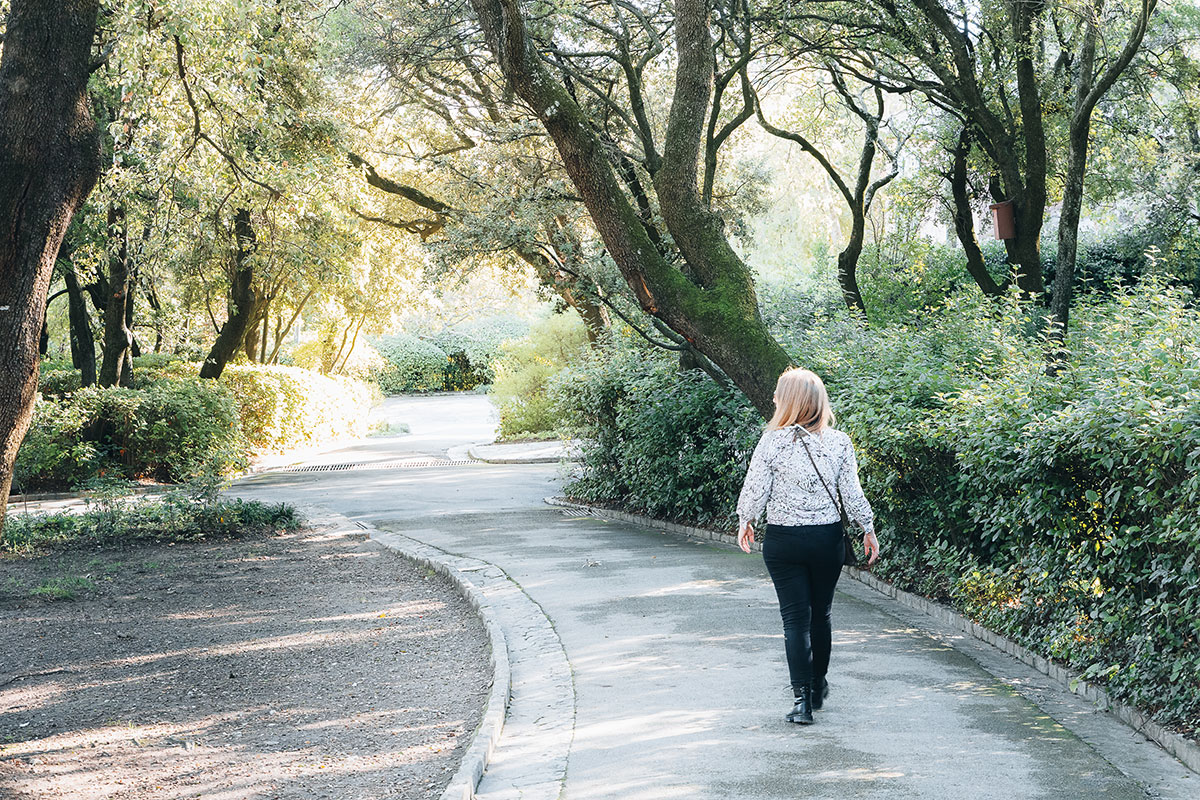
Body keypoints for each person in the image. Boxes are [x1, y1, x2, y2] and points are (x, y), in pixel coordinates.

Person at [736, 367, 879, 725]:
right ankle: (816, 687)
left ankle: (801, 702)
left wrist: (745, 520)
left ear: (790, 401)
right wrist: (868, 527)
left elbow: (756, 489)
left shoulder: (771, 441)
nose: (772, 399)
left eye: (778, 393)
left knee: (794, 621)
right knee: (822, 614)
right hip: (825, 540)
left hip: (784, 542)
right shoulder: (839, 442)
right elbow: (851, 492)